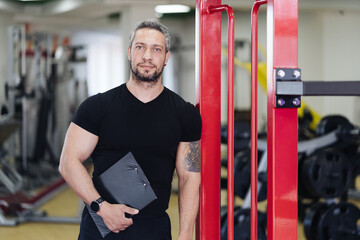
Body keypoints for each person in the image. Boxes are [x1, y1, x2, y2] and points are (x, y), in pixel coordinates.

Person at [58, 19, 202, 240]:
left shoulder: (185, 114)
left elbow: (189, 177)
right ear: (129, 53)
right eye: (140, 47)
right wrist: (101, 207)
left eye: (156, 49)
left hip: (154, 229)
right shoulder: (96, 107)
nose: (147, 56)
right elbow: (68, 162)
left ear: (166, 57)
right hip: (101, 227)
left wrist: (185, 234)